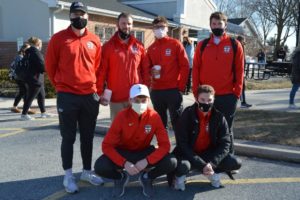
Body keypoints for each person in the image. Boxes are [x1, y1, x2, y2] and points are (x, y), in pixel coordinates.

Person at [45, 1, 103, 193]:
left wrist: (92, 87)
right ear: (69, 16)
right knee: (68, 137)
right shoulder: (58, 39)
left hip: (89, 96)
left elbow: (97, 67)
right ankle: (68, 175)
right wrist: (61, 87)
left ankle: (86, 171)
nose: (78, 17)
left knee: (87, 137)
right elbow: (51, 67)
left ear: (88, 16)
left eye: (82, 14)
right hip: (67, 96)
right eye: (74, 14)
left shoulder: (94, 40)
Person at [94, 84, 177, 198]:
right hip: (124, 152)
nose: (140, 104)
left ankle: (147, 177)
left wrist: (147, 161)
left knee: (171, 162)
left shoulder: (155, 116)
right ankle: (120, 177)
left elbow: (165, 145)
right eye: (136, 100)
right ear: (130, 100)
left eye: (144, 100)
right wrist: (124, 163)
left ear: (148, 100)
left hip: (144, 152)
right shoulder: (121, 116)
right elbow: (107, 146)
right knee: (100, 166)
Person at [169, 85, 242, 191]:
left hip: (208, 153)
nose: (206, 103)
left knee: (235, 162)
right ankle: (180, 176)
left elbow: (225, 143)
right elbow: (182, 144)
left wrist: (212, 163)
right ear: (196, 99)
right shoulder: (187, 115)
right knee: (183, 166)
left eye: (209, 100)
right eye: (202, 99)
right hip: (189, 154)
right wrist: (202, 164)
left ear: (214, 100)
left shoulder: (219, 117)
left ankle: (212, 171)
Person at [192, 12, 244, 154]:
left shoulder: (235, 45)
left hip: (227, 95)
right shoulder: (202, 45)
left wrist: (236, 93)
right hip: (206, 97)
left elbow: (240, 70)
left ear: (225, 25)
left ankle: (229, 158)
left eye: (219, 24)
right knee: (207, 128)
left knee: (227, 128)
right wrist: (196, 92)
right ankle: (210, 157)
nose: (216, 27)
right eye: (214, 24)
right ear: (210, 25)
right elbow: (196, 69)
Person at [142, 16, 189, 130]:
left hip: (173, 89)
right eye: (157, 27)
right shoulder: (151, 48)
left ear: (167, 28)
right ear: (153, 30)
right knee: (160, 123)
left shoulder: (176, 44)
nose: (159, 29)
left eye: (162, 27)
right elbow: (146, 68)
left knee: (177, 122)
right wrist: (150, 72)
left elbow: (185, 66)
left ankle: (181, 147)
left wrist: (181, 87)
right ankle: (163, 147)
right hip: (157, 91)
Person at [98, 12, 145, 120]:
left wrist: (145, 91)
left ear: (132, 25)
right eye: (123, 23)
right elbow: (102, 72)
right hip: (116, 98)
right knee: (117, 132)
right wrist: (99, 92)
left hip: (136, 97)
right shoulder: (108, 47)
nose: (126, 26)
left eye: (129, 24)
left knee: (136, 131)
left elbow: (145, 71)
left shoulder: (139, 46)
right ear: (117, 25)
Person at [20, 37, 50, 120]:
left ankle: (43, 113)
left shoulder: (28, 52)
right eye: (41, 44)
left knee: (41, 95)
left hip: (33, 77)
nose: (41, 45)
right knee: (31, 96)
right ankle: (24, 114)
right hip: (35, 78)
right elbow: (42, 65)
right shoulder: (36, 52)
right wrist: (47, 70)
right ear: (38, 44)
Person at [9, 43, 36, 114]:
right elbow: (20, 67)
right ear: (24, 49)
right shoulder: (20, 57)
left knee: (22, 92)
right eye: (28, 48)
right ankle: (27, 108)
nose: (30, 49)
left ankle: (14, 107)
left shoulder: (21, 56)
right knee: (26, 91)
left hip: (19, 76)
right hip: (20, 77)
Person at [236, 36, 252, 108]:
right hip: (238, 71)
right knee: (241, 87)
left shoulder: (241, 47)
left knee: (242, 87)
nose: (244, 42)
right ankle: (243, 102)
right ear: (240, 41)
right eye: (243, 41)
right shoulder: (238, 47)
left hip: (241, 70)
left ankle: (242, 101)